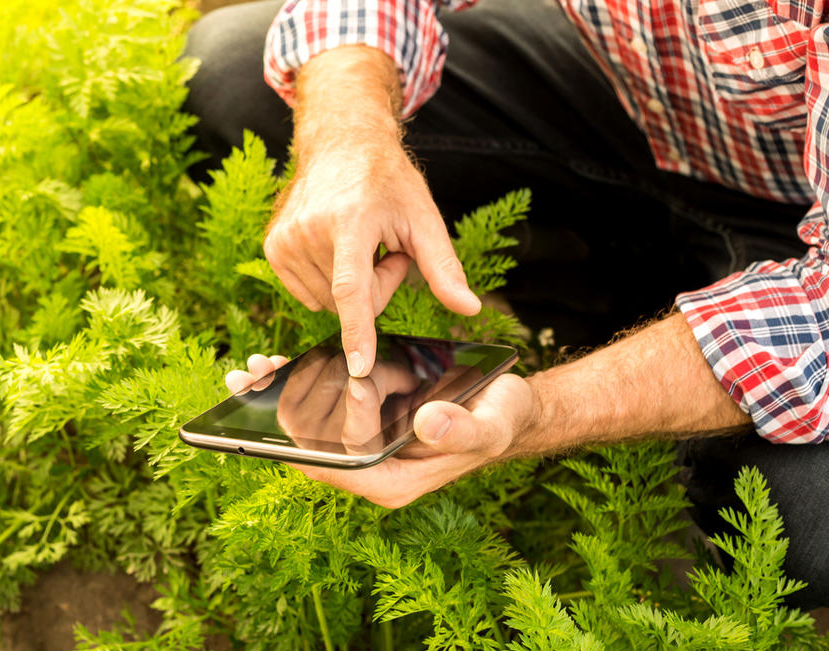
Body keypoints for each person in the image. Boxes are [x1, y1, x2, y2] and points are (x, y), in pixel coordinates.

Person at [183, 0, 829, 608]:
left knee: (798, 516)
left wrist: (542, 410)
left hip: (799, 217)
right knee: (233, 70)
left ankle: (656, 324)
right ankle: (621, 297)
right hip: (637, 102)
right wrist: (348, 139)